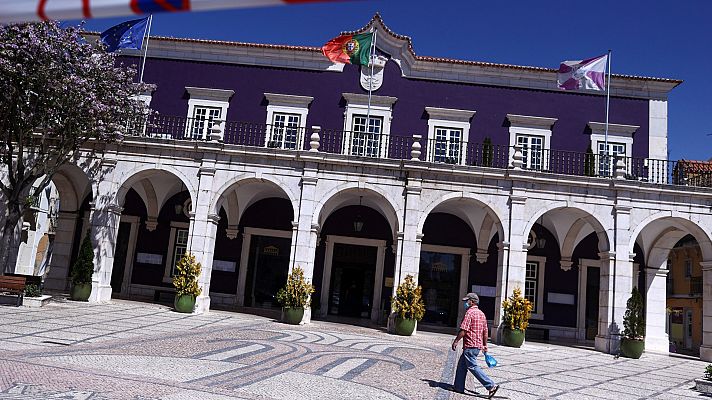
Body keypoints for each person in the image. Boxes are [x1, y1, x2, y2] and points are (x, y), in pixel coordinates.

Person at [451, 292, 499, 398]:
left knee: (472, 366)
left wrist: (456, 341)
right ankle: (458, 387)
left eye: (467, 301)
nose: (465, 303)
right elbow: (485, 332)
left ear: (472, 302)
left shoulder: (470, 313)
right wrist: (485, 345)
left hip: (470, 345)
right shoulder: (481, 314)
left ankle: (491, 386)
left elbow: (464, 330)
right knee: (462, 366)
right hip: (477, 346)